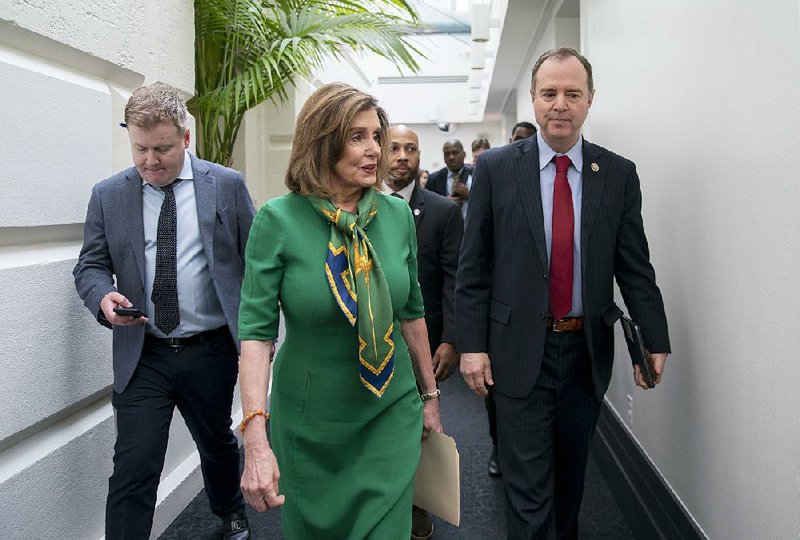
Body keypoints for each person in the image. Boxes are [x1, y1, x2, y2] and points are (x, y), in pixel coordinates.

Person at [456, 47, 671, 539]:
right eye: (549, 93)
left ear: (590, 100)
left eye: (572, 93)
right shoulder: (494, 169)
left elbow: (635, 266)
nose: (560, 104)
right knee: (529, 496)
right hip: (516, 351)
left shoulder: (617, 174)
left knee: (570, 486)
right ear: (533, 100)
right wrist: (472, 344)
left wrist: (653, 339)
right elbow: (474, 269)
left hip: (584, 352)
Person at [237, 82, 443, 539]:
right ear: (322, 141)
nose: (375, 150)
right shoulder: (277, 221)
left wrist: (429, 397)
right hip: (311, 421)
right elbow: (255, 332)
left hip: (389, 409)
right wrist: (255, 434)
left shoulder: (396, 217)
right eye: (357, 137)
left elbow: (412, 313)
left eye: (376, 136)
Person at [73, 83, 255, 540]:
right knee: (134, 464)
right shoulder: (109, 194)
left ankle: (230, 510)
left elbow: (254, 261)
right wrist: (102, 297)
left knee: (215, 442)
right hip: (143, 353)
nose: (150, 160)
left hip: (210, 348)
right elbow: (90, 265)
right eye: (140, 148)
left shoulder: (227, 186)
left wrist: (261, 335)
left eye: (162, 149)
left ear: (186, 138)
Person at [385, 124, 464, 539]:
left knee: (417, 425)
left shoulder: (443, 211)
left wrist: (451, 338)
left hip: (423, 341)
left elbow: (454, 279)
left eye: (410, 149)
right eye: (394, 147)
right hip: (371, 342)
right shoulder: (357, 207)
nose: (402, 156)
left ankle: (416, 502)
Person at [425, 139, 474, 220]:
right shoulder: (433, 179)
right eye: (447, 154)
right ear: (444, 158)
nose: (451, 157)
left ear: (464, 154)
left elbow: (486, 203)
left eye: (455, 153)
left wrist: (469, 196)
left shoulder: (476, 175)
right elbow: (427, 207)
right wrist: (444, 203)